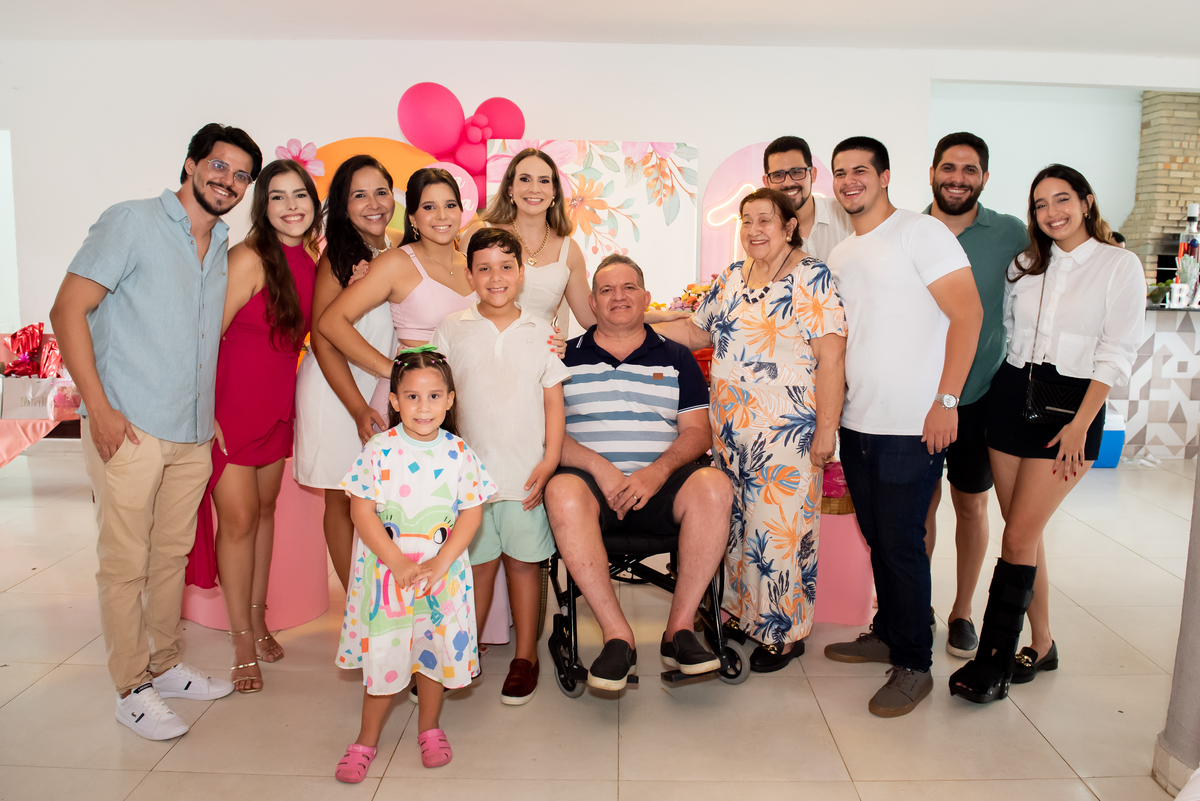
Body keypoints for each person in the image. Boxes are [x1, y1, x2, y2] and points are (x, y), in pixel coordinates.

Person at [49, 123, 262, 740]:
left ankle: (165, 664)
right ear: (191, 165)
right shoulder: (132, 221)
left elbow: (195, 335)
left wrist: (205, 409)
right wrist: (99, 408)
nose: (228, 181)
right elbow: (68, 310)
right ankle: (130, 687)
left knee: (170, 556)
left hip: (191, 430)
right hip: (130, 424)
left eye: (241, 175)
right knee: (125, 561)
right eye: (218, 166)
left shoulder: (220, 244)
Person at [950, 165, 1144, 703]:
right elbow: (1008, 333)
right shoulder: (1025, 265)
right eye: (1040, 204)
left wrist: (1081, 423)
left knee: (1017, 537)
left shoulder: (1118, 265)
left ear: (1086, 202)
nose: (1051, 212)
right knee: (1024, 532)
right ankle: (1043, 642)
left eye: (1062, 199)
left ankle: (993, 661)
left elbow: (1118, 351)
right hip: (1011, 396)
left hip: (1071, 409)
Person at [822, 136, 982, 718]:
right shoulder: (842, 254)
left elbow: (969, 314)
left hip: (913, 424)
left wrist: (947, 401)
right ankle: (889, 632)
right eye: (840, 172)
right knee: (878, 537)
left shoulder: (921, 232)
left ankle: (914, 663)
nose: (849, 180)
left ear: (885, 175)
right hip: (858, 422)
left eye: (860, 170)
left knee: (902, 543)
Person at [654, 188, 846, 672]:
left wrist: (827, 431)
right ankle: (743, 615)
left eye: (765, 220)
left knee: (778, 531)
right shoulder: (733, 276)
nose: (754, 229)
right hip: (730, 434)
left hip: (787, 434)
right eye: (746, 220)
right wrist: (634, 325)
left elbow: (831, 357)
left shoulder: (811, 275)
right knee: (739, 528)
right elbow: (696, 331)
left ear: (789, 226)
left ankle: (784, 633)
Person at [543, 256, 734, 692]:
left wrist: (657, 472)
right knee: (562, 490)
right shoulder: (562, 358)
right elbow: (548, 434)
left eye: (629, 288)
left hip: (662, 487)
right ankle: (618, 637)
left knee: (714, 484)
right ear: (592, 303)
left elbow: (697, 432)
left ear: (646, 298)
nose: (619, 297)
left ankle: (679, 630)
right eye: (607, 290)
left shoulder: (677, 357)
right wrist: (600, 468)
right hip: (592, 493)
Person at [184, 159, 319, 692]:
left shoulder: (309, 259)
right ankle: (241, 639)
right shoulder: (248, 257)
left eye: (299, 195)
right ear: (263, 206)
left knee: (264, 515)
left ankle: (259, 619)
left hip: (278, 408)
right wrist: (206, 413)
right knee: (238, 523)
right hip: (233, 410)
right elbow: (202, 338)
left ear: (313, 202)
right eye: (277, 196)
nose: (290, 206)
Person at [333, 348, 496, 779]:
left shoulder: (459, 453)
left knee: (433, 655)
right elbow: (361, 512)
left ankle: (429, 728)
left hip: (441, 579)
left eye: (433, 396)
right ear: (394, 401)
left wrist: (441, 563)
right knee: (384, 657)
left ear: (449, 400)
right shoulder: (378, 450)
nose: (423, 407)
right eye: (412, 397)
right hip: (388, 580)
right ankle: (366, 739)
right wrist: (397, 563)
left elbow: (472, 513)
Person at [431, 228, 570, 705]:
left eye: (506, 267)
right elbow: (438, 395)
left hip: (524, 475)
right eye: (484, 268)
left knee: (525, 566)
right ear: (469, 275)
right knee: (475, 569)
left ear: (521, 273)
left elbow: (553, 402)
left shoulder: (541, 331)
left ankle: (525, 656)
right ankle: (462, 654)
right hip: (467, 481)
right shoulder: (452, 327)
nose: (496, 277)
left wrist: (550, 460)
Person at [922, 132, 1028, 659]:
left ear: (984, 177)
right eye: (949, 167)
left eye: (969, 170)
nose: (957, 179)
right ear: (932, 172)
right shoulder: (909, 228)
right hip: (918, 396)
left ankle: (962, 611)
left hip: (980, 394)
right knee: (918, 509)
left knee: (971, 506)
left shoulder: (1010, 233)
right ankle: (915, 606)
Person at [293, 155, 397, 591]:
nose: (373, 204)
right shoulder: (337, 254)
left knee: (375, 501)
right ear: (342, 204)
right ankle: (356, 607)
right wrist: (356, 408)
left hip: (381, 390)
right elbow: (323, 338)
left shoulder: (397, 248)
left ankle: (379, 600)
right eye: (359, 195)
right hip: (336, 392)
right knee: (342, 499)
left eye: (381, 192)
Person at [461, 146, 683, 331]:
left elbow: (592, 319)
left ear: (555, 192)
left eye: (544, 181)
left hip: (542, 357)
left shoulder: (569, 250)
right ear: (510, 188)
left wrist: (657, 317)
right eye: (525, 179)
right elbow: (458, 308)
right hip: (482, 349)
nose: (534, 189)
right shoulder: (478, 234)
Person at [319, 168, 476, 422]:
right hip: (409, 404)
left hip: (460, 400)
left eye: (450, 205)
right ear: (412, 217)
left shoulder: (473, 265)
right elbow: (330, 322)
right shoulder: (397, 262)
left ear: (461, 211)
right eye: (429, 207)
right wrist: (391, 368)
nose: (442, 215)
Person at [761, 136, 854, 262]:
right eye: (778, 175)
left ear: (813, 174)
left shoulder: (847, 213)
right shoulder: (760, 233)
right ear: (766, 182)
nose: (788, 183)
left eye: (796, 172)